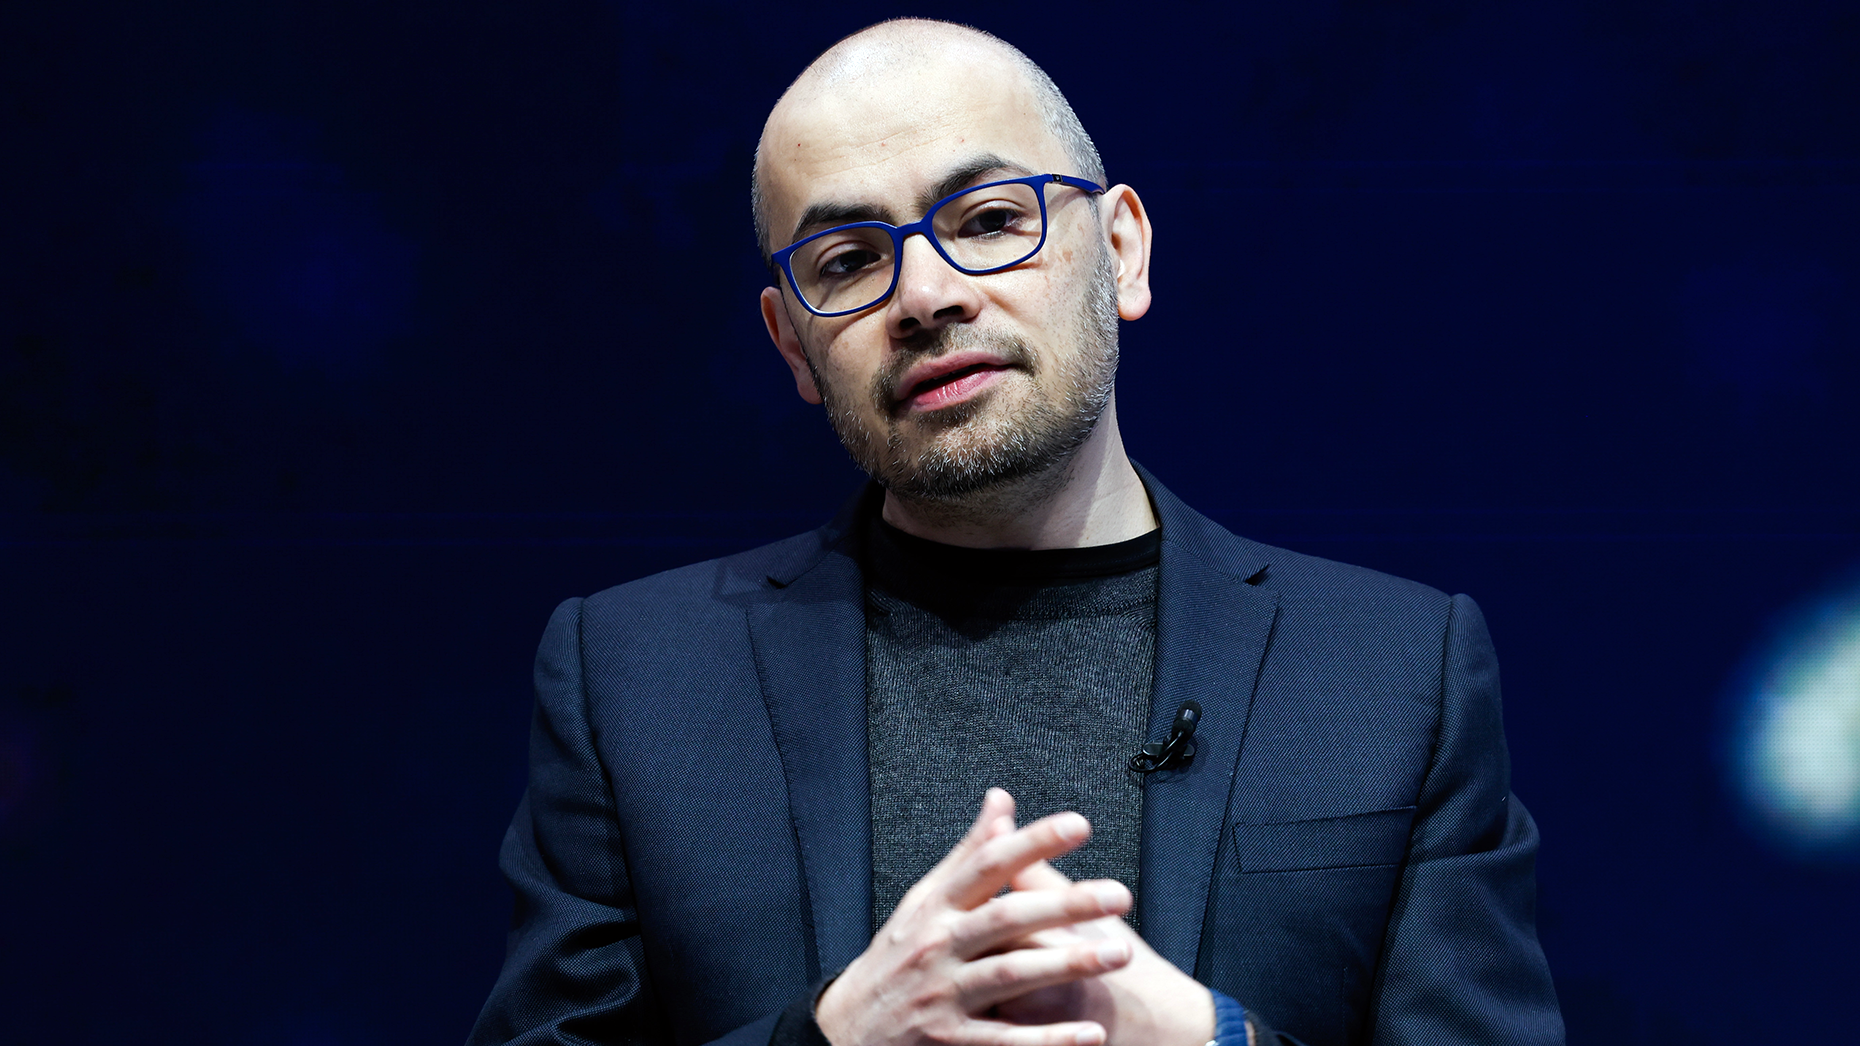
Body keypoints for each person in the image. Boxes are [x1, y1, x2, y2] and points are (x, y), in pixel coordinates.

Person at [468, 18, 1562, 1046]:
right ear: (791, 344)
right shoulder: (633, 679)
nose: (928, 293)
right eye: (847, 261)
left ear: (1124, 251)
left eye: (989, 220)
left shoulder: (1393, 674)